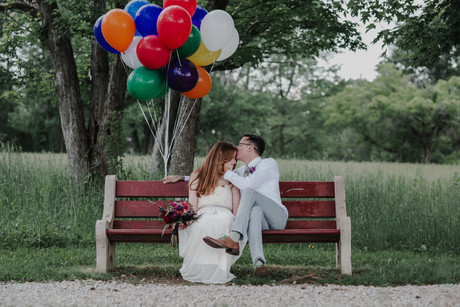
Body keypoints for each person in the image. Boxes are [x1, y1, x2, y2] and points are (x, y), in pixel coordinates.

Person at [165, 134, 288, 277]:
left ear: (250, 148)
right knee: (255, 212)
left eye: (240, 144)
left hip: (277, 216)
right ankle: (259, 264)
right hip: (261, 220)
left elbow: (247, 184)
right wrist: (184, 177)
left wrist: (228, 172)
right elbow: (215, 174)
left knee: (249, 191)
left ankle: (233, 238)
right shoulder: (242, 171)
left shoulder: (268, 164)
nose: (237, 147)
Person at [178, 142, 246, 284]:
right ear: (221, 158)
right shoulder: (197, 175)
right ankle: (202, 269)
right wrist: (186, 219)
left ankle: (220, 269)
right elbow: (193, 206)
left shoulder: (232, 179)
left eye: (235, 159)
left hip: (226, 213)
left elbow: (236, 209)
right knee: (203, 222)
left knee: (225, 220)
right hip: (203, 213)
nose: (234, 162)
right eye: (232, 158)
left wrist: (237, 223)